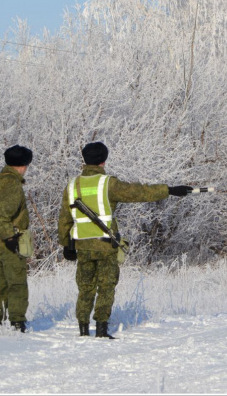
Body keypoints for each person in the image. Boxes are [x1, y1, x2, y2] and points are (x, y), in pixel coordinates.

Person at [58, 142, 192, 339]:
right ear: (103, 161)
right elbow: (139, 192)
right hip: (105, 244)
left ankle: (83, 329)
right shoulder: (108, 183)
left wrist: (66, 244)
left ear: (84, 160)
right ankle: (102, 330)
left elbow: (64, 218)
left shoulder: (72, 185)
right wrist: (169, 190)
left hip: (82, 246)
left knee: (85, 287)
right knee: (106, 286)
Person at [0, 145, 34, 332]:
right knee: (17, 284)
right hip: (10, 242)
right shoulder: (13, 184)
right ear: (23, 165)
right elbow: (0, 213)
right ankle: (17, 322)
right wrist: (10, 237)